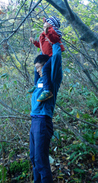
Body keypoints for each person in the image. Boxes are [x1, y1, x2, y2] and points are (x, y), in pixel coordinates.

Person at [30, 42, 62, 183]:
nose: (37, 71)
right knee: (33, 158)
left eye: (39, 68)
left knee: (41, 159)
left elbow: (55, 59)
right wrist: (41, 45)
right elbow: (40, 64)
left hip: (43, 121)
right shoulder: (40, 81)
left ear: (46, 66)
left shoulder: (52, 79)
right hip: (34, 121)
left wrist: (54, 41)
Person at [28, 16, 64, 102]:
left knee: (45, 69)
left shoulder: (53, 32)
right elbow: (42, 46)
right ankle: (36, 84)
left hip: (51, 56)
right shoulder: (44, 33)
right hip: (45, 56)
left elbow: (54, 40)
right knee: (36, 68)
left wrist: (47, 32)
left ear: (50, 25)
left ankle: (47, 90)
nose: (44, 24)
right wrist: (35, 43)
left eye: (46, 23)